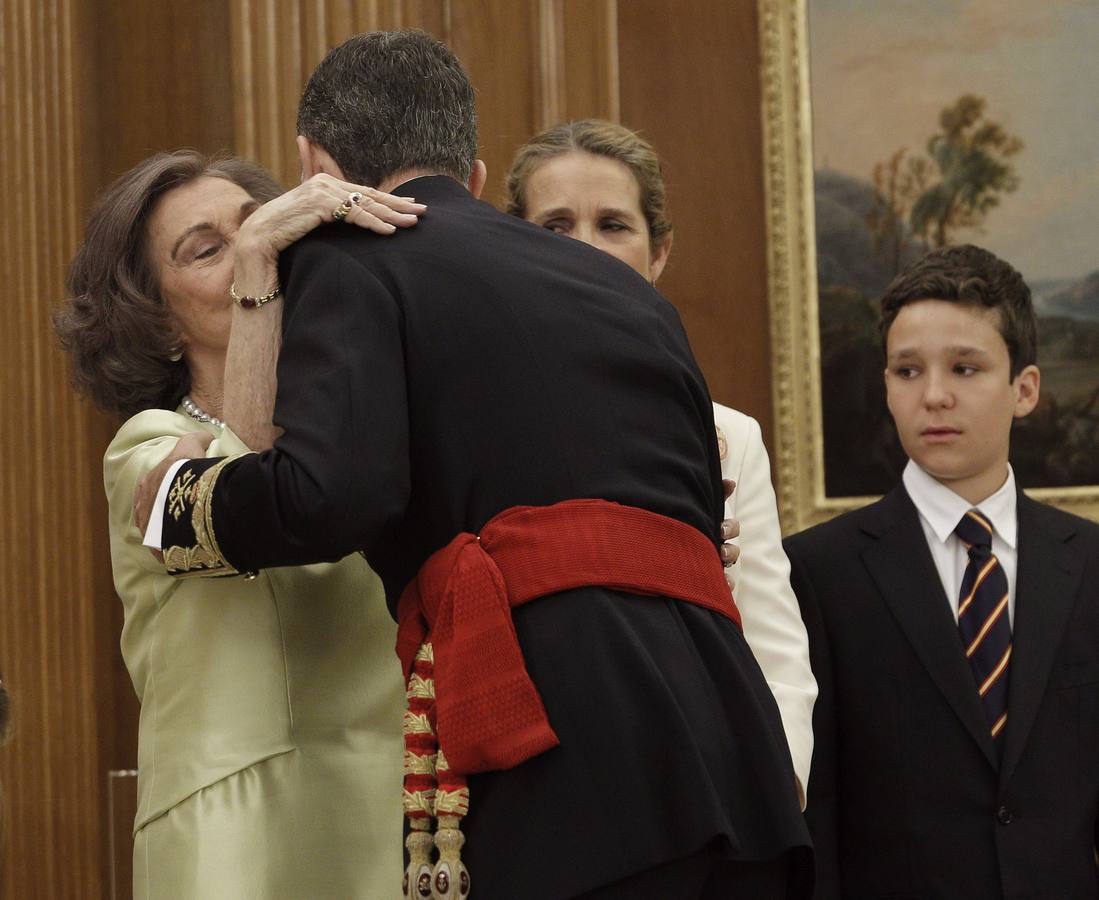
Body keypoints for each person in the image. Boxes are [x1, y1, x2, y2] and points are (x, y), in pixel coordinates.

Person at [137, 30, 812, 900]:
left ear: (315, 168)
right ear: (477, 174)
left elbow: (334, 494)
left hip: (572, 748)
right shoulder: (623, 290)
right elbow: (700, 525)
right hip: (732, 747)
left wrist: (184, 500)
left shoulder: (351, 256)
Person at [55, 150, 424, 899]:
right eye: (207, 250)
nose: (256, 245)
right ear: (158, 323)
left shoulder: (360, 434)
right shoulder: (146, 447)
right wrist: (256, 264)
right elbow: (255, 499)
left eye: (257, 226)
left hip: (397, 806)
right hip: (239, 832)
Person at [505, 118, 816, 804]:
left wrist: (776, 786)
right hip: (520, 772)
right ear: (511, 245)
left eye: (612, 225)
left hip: (693, 778)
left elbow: (773, 648)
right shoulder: (469, 415)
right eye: (555, 226)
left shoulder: (728, 437)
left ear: (658, 253)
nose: (584, 249)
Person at [784, 244, 1099, 898]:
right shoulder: (818, 573)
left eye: (964, 368)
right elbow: (819, 814)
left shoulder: (1090, 563)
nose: (933, 396)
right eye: (907, 371)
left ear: (1024, 389)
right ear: (886, 388)